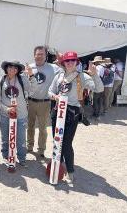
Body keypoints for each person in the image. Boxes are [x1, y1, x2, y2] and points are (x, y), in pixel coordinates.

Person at [49, 51, 103, 183]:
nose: (70, 63)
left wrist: (95, 74)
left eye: (73, 61)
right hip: (57, 111)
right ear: (63, 62)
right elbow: (50, 91)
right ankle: (58, 166)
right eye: (67, 61)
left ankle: (70, 170)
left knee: (66, 143)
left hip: (71, 112)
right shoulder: (59, 76)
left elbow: (99, 89)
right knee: (56, 140)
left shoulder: (82, 76)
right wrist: (55, 97)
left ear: (77, 62)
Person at [0, 61, 36, 167]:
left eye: (15, 68)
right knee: (5, 137)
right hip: (5, 115)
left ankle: (22, 158)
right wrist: (6, 109)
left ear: (17, 70)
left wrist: (31, 76)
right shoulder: (1, 81)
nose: (12, 70)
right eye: (10, 67)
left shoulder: (22, 79)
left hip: (21, 114)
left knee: (21, 138)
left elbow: (32, 90)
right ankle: (6, 156)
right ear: (6, 69)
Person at [27, 46, 62, 157]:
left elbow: (65, 72)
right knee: (30, 126)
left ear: (46, 56)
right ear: (34, 55)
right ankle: (29, 146)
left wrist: (61, 62)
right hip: (30, 102)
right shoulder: (29, 68)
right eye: (37, 54)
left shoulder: (53, 68)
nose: (39, 56)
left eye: (41, 54)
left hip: (45, 102)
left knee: (43, 128)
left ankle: (41, 150)